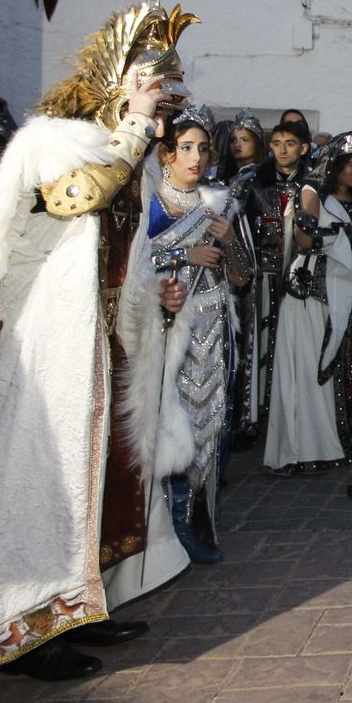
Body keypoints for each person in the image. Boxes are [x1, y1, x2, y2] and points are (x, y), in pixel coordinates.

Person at [0, 2, 195, 681]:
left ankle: (77, 606)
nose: (160, 117)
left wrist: (153, 294)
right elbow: (81, 196)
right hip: (40, 345)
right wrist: (132, 122)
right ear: (115, 85)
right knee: (42, 477)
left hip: (94, 343)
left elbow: (125, 247)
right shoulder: (49, 141)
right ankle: (17, 625)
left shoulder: (128, 148)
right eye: (154, 95)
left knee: (91, 477)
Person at [118, 104, 251, 566]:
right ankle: (159, 533)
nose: (197, 157)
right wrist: (181, 257)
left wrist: (230, 243)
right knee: (164, 426)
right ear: (167, 154)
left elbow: (242, 275)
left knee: (212, 428)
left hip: (215, 332)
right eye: (186, 148)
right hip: (165, 331)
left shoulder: (222, 203)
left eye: (203, 148)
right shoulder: (146, 203)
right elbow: (128, 270)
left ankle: (197, 524)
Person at [266, 124, 352, 473]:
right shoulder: (310, 191)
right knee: (308, 370)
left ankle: (340, 439)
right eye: (351, 165)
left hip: (346, 297)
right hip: (309, 296)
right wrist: (349, 231)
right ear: (336, 163)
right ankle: (304, 449)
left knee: (343, 369)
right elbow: (303, 240)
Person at [235, 119, 311, 447]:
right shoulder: (254, 183)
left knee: (292, 346)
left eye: (290, 144)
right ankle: (251, 419)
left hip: (297, 276)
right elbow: (238, 228)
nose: (282, 150)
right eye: (277, 143)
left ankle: (289, 417)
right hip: (261, 275)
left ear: (303, 148)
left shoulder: (312, 184)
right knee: (256, 346)